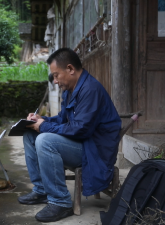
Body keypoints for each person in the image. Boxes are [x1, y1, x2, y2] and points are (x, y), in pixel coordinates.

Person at [17, 48, 122, 222]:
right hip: (82, 143)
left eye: (57, 75)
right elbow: (63, 119)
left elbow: (80, 130)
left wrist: (44, 127)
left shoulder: (90, 89)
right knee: (30, 134)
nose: (55, 81)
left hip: (94, 150)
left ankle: (61, 203)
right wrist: (42, 119)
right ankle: (42, 190)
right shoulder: (70, 91)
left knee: (45, 140)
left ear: (70, 69)